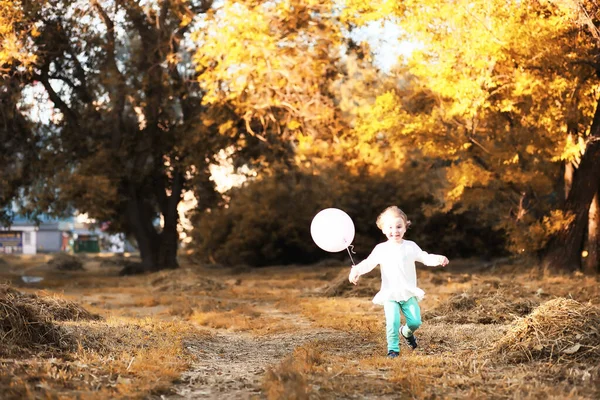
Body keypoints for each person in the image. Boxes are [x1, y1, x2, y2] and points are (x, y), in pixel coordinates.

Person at [348, 206, 449, 358]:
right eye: (390, 227)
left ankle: (406, 332)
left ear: (405, 228)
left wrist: (438, 259)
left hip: (408, 292)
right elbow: (369, 263)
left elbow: (424, 257)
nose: (394, 230)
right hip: (390, 293)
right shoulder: (381, 249)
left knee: (416, 322)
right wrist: (356, 271)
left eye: (399, 226)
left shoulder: (410, 246)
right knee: (393, 321)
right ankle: (393, 349)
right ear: (383, 229)